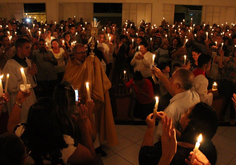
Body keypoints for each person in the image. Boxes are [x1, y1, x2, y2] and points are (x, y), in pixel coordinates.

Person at [63, 43, 118, 147]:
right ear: (74, 54)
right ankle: (85, 144)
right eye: (80, 53)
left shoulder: (90, 62)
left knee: (94, 121)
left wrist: (94, 63)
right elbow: (70, 80)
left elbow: (99, 75)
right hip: (79, 101)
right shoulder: (71, 65)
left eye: (84, 52)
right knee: (82, 124)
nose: (83, 55)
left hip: (92, 98)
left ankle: (96, 145)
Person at [13, 98, 97, 164]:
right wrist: (84, 125)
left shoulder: (21, 133)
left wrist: (18, 102)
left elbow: (11, 125)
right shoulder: (64, 145)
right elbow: (91, 157)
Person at [139, 102, 218, 165]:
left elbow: (144, 158)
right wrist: (167, 124)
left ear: (189, 122)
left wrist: (150, 128)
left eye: (187, 111)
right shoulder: (209, 150)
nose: (184, 112)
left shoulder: (169, 153)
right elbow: (187, 140)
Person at [152, 68, 200, 140]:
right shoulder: (195, 95)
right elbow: (175, 91)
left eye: (171, 79)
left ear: (177, 86)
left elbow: (162, 136)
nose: (169, 79)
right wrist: (161, 76)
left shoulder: (171, 110)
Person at [3, 38, 37, 122]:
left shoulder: (27, 61)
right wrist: (28, 75)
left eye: (30, 47)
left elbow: (33, 84)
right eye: (27, 48)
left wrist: (32, 76)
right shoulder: (11, 64)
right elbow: (12, 87)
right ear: (19, 49)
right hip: (18, 99)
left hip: (30, 96)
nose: (30, 50)